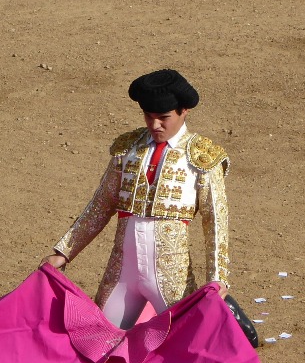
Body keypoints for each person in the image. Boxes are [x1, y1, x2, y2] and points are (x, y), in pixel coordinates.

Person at [41, 69, 230, 329]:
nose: (155, 125)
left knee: (185, 340)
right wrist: (64, 252)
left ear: (184, 111)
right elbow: (100, 206)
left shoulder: (202, 157)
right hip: (122, 272)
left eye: (163, 118)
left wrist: (217, 276)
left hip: (171, 275)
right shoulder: (127, 148)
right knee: (100, 338)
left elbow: (215, 221)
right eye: (148, 116)